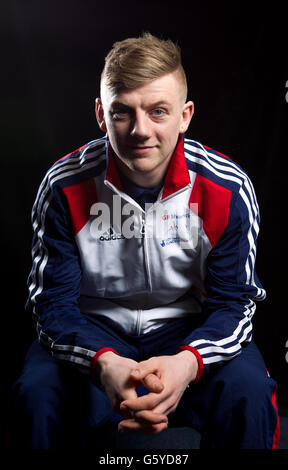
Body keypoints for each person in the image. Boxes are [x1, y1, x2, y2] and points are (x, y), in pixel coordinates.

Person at [12, 32, 280, 449]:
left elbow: (234, 304)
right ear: (101, 114)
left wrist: (186, 364)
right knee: (36, 394)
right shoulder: (63, 186)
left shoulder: (227, 188)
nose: (141, 131)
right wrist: (104, 363)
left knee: (250, 393)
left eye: (158, 112)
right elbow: (52, 306)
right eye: (123, 113)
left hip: (189, 330)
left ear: (185, 115)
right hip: (95, 330)